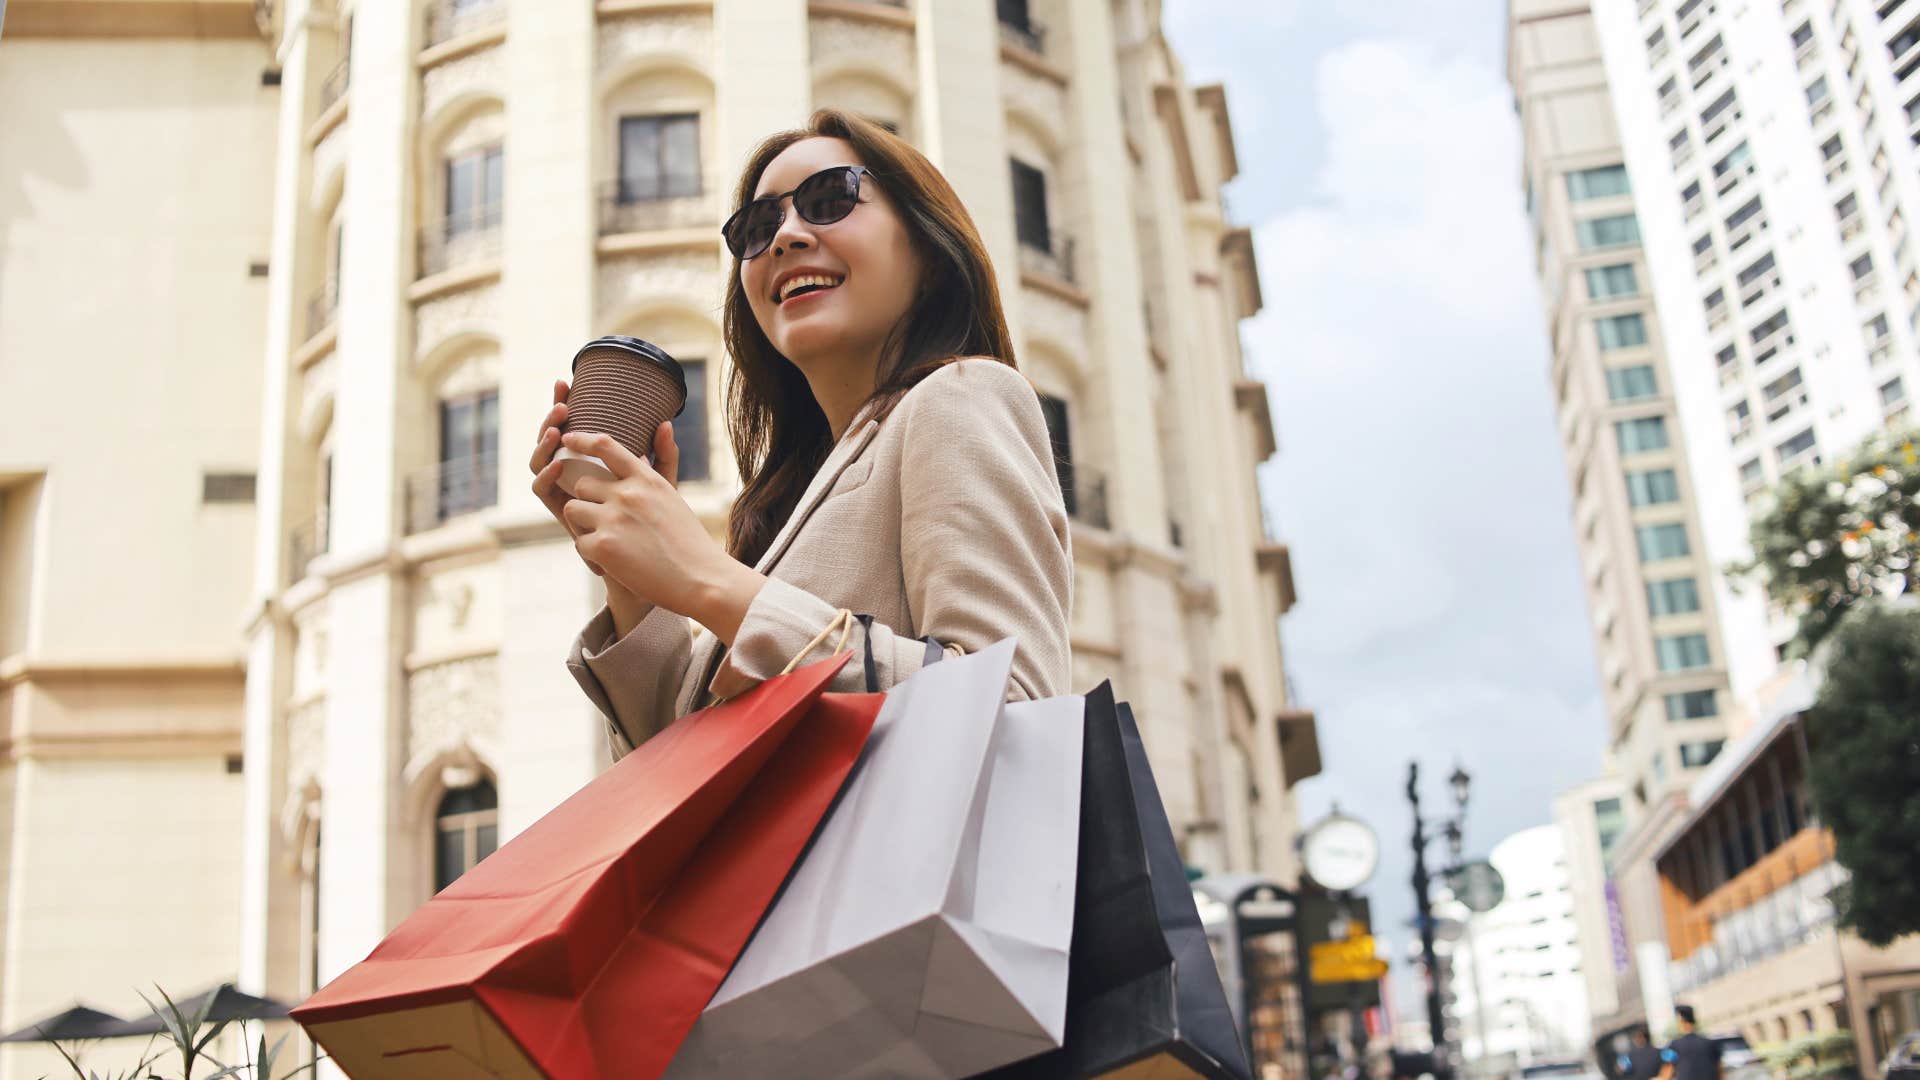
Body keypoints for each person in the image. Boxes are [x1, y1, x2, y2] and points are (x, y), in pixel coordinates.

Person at [528, 109, 1074, 755]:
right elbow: (684, 764)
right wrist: (634, 582)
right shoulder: (783, 507)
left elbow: (1015, 714)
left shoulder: (961, 394)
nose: (785, 236)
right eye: (757, 228)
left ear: (927, 249)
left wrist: (709, 579)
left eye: (830, 199)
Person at [1659, 1005, 1722, 1080]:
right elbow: (1720, 1070)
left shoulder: (1674, 1045)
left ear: (1681, 1021)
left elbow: (1667, 1072)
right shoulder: (1710, 1043)